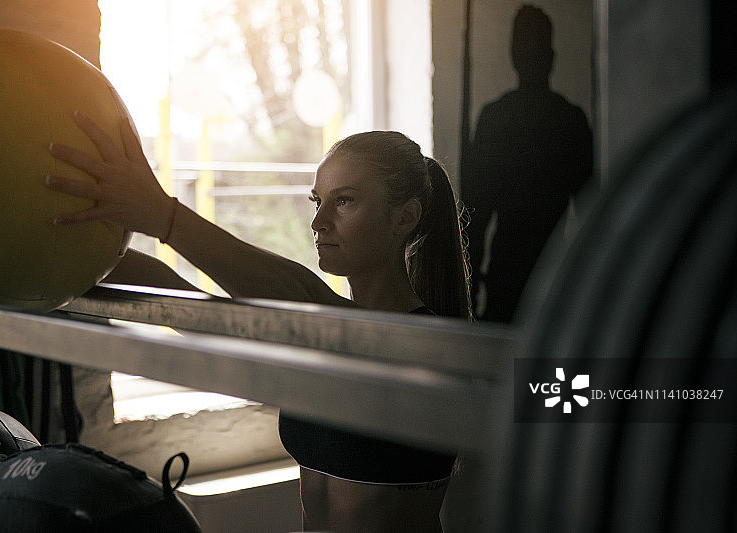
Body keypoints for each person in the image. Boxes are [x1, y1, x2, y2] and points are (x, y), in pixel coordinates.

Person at [47, 112, 471, 531]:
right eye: (317, 201)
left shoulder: (428, 344)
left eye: (344, 201)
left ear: (404, 217)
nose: (319, 222)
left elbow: (302, 296)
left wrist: (162, 215)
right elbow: (197, 312)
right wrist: (77, 243)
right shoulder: (321, 334)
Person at [462, 4, 593, 323]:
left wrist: (470, 283)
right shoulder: (569, 119)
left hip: (518, 270)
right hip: (548, 270)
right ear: (551, 56)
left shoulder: (497, 118)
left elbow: (477, 213)